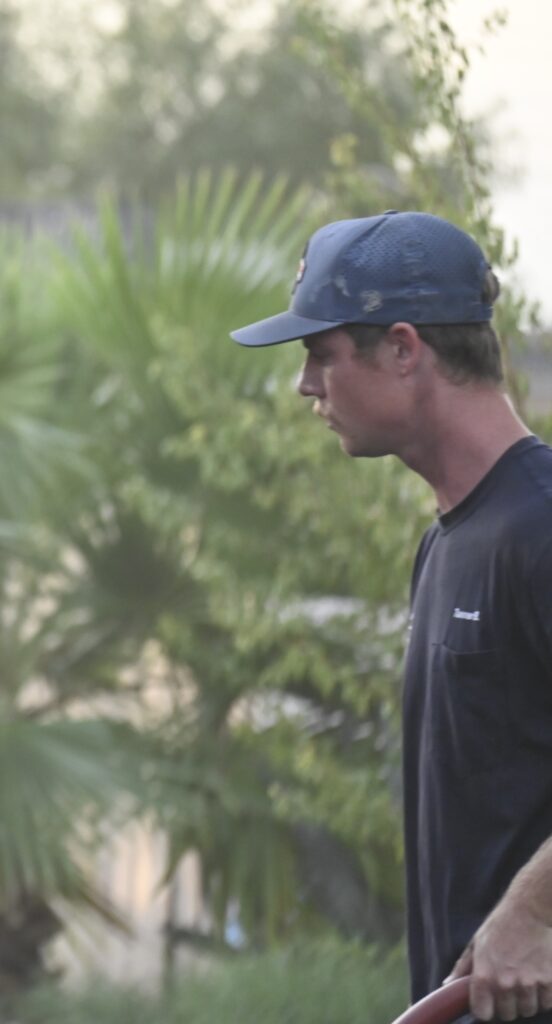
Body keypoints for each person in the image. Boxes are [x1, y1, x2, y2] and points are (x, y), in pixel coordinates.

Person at [230, 210, 552, 1023]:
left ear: (405, 350)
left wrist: (534, 913)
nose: (306, 385)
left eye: (321, 353)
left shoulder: (543, 525)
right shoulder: (444, 546)